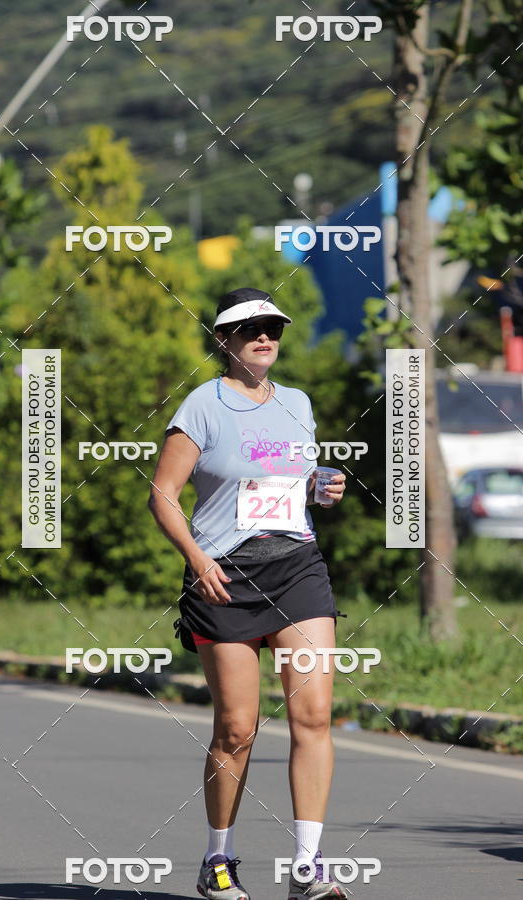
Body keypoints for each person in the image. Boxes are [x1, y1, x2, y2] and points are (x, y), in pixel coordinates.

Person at [148, 287, 348, 900]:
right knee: (237, 727)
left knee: (313, 715)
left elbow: (288, 481)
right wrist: (197, 558)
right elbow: (162, 494)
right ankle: (218, 859)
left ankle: (308, 868)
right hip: (225, 576)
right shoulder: (202, 407)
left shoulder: (297, 403)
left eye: (273, 328)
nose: (265, 337)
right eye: (251, 328)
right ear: (223, 339)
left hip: (297, 566)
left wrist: (318, 487)